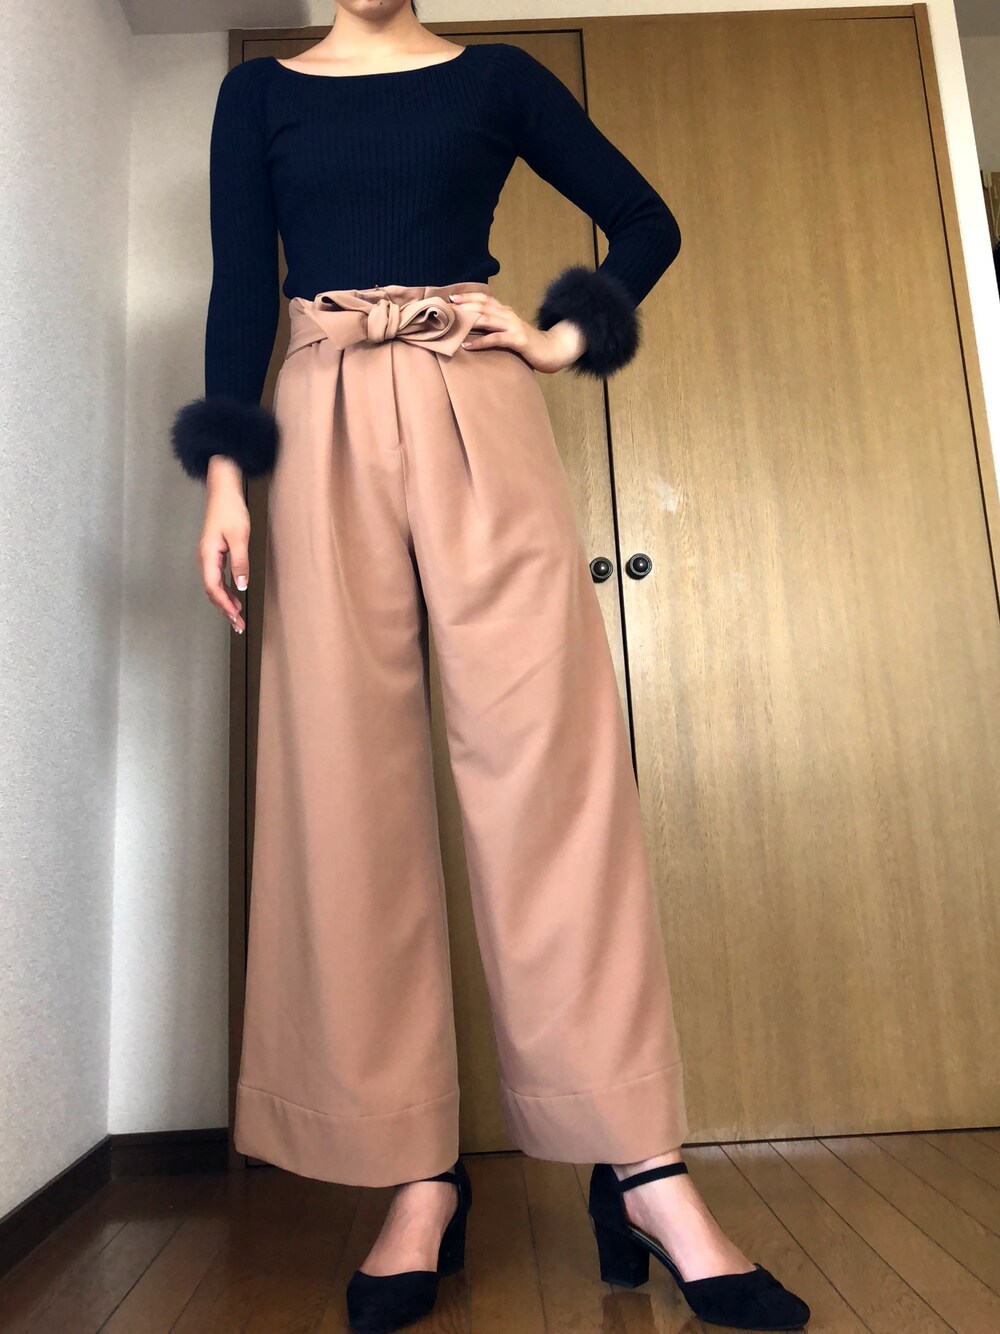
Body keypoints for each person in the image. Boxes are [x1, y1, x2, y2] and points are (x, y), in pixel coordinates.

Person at [170, 3, 811, 1332]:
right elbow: (242, 285)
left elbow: (646, 220)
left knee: (550, 767)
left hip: (479, 401)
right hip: (320, 411)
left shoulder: (499, 79)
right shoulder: (260, 97)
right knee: (344, 780)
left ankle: (641, 1166)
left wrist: (560, 334)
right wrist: (224, 477)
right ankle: (415, 1168)